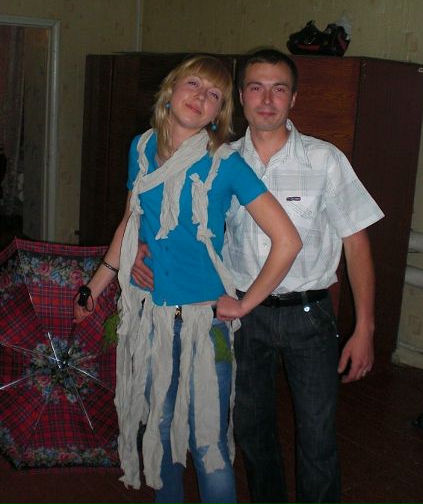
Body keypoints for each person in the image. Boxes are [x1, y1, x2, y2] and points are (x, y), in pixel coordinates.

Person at [132, 49, 384, 504]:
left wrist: (364, 326)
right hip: (241, 316)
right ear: (241, 97)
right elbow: (180, 225)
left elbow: (357, 243)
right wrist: (141, 250)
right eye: (256, 87)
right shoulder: (218, 158)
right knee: (251, 431)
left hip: (308, 316)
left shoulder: (324, 160)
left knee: (317, 436)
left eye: (278, 89)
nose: (267, 100)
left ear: (294, 98)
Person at [73, 54, 302, 504]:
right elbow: (131, 221)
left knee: (208, 446)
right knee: (159, 432)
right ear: (171, 90)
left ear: (219, 113)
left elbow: (288, 240)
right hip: (151, 320)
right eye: (194, 84)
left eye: (214, 94)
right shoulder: (141, 147)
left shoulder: (225, 164)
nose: (200, 97)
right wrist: (95, 287)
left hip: (203, 325)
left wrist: (243, 303)